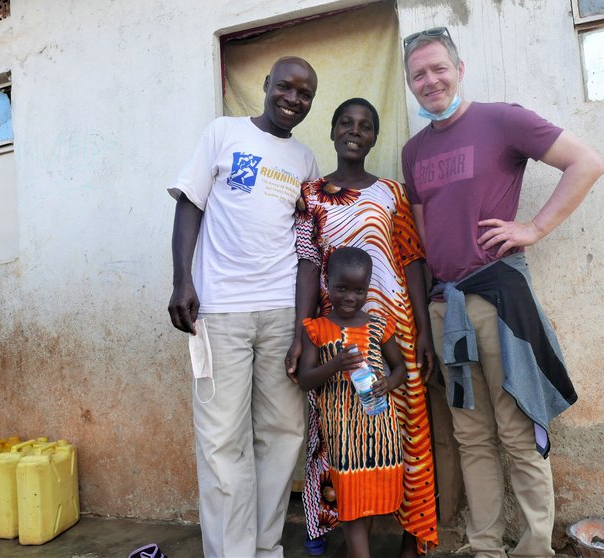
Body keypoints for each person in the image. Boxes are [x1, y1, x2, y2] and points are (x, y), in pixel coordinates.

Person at [401, 27, 604, 558]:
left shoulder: (500, 120)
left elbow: (586, 163)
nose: (431, 81)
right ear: (409, 83)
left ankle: (536, 548)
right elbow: (426, 238)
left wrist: (533, 229)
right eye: (418, 74)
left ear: (460, 69)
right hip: (446, 306)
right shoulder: (413, 151)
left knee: (517, 432)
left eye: (439, 68)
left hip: (498, 301)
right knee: (470, 436)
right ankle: (485, 546)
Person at [166, 56, 319, 558]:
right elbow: (190, 203)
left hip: (279, 313)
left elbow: (305, 247)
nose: (293, 99)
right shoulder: (223, 133)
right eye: (286, 87)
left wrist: (302, 327)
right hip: (221, 311)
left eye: (305, 94)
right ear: (266, 84)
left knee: (281, 435)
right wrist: (181, 280)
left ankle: (264, 548)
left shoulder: (304, 160)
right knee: (221, 439)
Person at [288, 98, 439, 555]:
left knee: (408, 432)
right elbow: (308, 265)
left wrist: (425, 330)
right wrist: (301, 331)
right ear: (333, 131)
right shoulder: (311, 194)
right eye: (346, 123)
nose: (355, 131)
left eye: (366, 126)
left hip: (394, 328)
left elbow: (412, 261)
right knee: (339, 436)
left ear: (374, 137)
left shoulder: (392, 192)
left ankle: (413, 538)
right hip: (333, 335)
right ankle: (347, 536)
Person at [298, 246, 408, 558]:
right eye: (341, 288)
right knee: (350, 499)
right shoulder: (316, 328)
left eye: (359, 290)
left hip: (379, 430)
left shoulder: (378, 325)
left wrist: (389, 382)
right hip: (342, 433)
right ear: (327, 283)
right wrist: (334, 365)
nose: (349, 298)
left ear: (368, 287)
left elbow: (400, 368)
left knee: (369, 498)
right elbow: (305, 379)